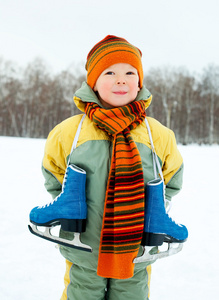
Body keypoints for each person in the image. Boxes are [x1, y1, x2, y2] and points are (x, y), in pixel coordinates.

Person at [31, 35, 186, 299]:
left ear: (139, 83)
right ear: (93, 83)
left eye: (129, 72)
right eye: (110, 72)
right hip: (84, 247)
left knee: (132, 295)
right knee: (81, 294)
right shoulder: (70, 131)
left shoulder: (157, 134)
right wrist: (66, 202)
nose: (121, 79)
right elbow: (53, 169)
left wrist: (157, 209)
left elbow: (171, 175)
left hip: (136, 247)